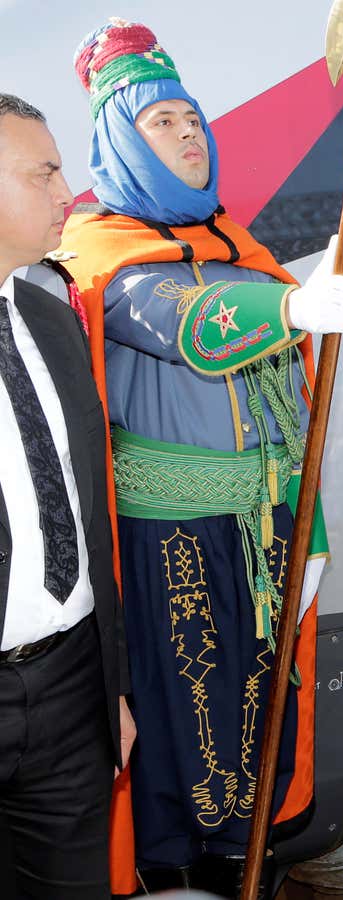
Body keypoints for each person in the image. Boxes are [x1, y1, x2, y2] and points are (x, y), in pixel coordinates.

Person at [57, 20, 343, 894]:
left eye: (194, 117)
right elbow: (184, 328)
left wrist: (313, 524)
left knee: (260, 711)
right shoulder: (102, 254)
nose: (190, 132)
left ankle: (238, 867)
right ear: (117, 140)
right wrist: (290, 313)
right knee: (189, 721)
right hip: (171, 537)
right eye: (162, 123)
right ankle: (177, 875)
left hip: (264, 525)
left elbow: (290, 405)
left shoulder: (241, 247)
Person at [0, 92, 132, 900]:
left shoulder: (51, 322)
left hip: (71, 696)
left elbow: (89, 515)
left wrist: (109, 687)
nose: (68, 192)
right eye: (43, 172)